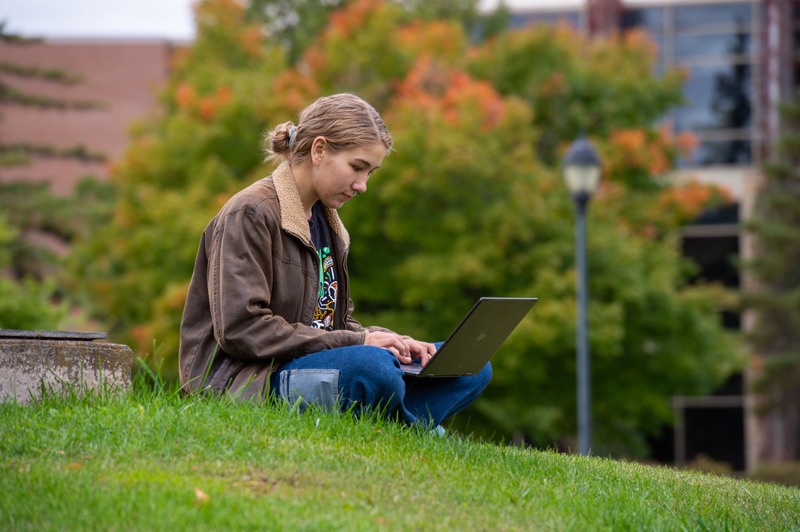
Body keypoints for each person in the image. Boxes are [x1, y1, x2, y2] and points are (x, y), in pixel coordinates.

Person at [179, 93, 491, 428]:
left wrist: (391, 340)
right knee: (373, 369)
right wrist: (360, 344)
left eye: (371, 172)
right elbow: (242, 329)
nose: (363, 185)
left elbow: (333, 324)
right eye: (357, 168)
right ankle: (414, 426)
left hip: (315, 364)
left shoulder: (328, 223)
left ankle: (397, 419)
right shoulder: (251, 213)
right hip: (248, 381)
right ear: (319, 150)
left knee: (467, 365)